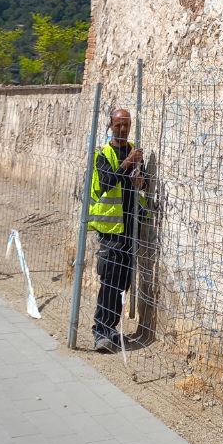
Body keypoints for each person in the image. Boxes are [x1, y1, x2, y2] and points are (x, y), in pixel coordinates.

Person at [89, 107, 144, 352]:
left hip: (130, 228)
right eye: (119, 125)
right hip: (111, 228)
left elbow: (142, 183)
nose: (123, 129)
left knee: (123, 282)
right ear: (111, 125)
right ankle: (100, 331)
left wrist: (143, 180)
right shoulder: (103, 153)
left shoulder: (135, 152)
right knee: (110, 281)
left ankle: (112, 329)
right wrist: (128, 163)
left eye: (127, 125)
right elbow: (107, 181)